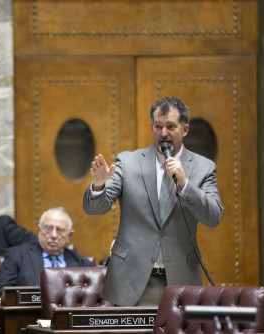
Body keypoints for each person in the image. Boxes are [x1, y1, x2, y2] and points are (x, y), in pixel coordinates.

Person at [83, 96, 224, 306]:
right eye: (158, 127)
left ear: (185, 129)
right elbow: (95, 208)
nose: (163, 134)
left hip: (180, 280)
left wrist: (185, 184)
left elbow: (213, 216)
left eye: (170, 127)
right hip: (133, 280)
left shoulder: (203, 168)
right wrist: (98, 186)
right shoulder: (128, 162)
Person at [0, 207, 93, 297]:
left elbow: (92, 299)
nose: (53, 235)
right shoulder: (17, 255)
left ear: (69, 235)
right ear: (39, 230)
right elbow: (0, 292)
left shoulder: (83, 264)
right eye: (48, 228)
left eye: (60, 230)